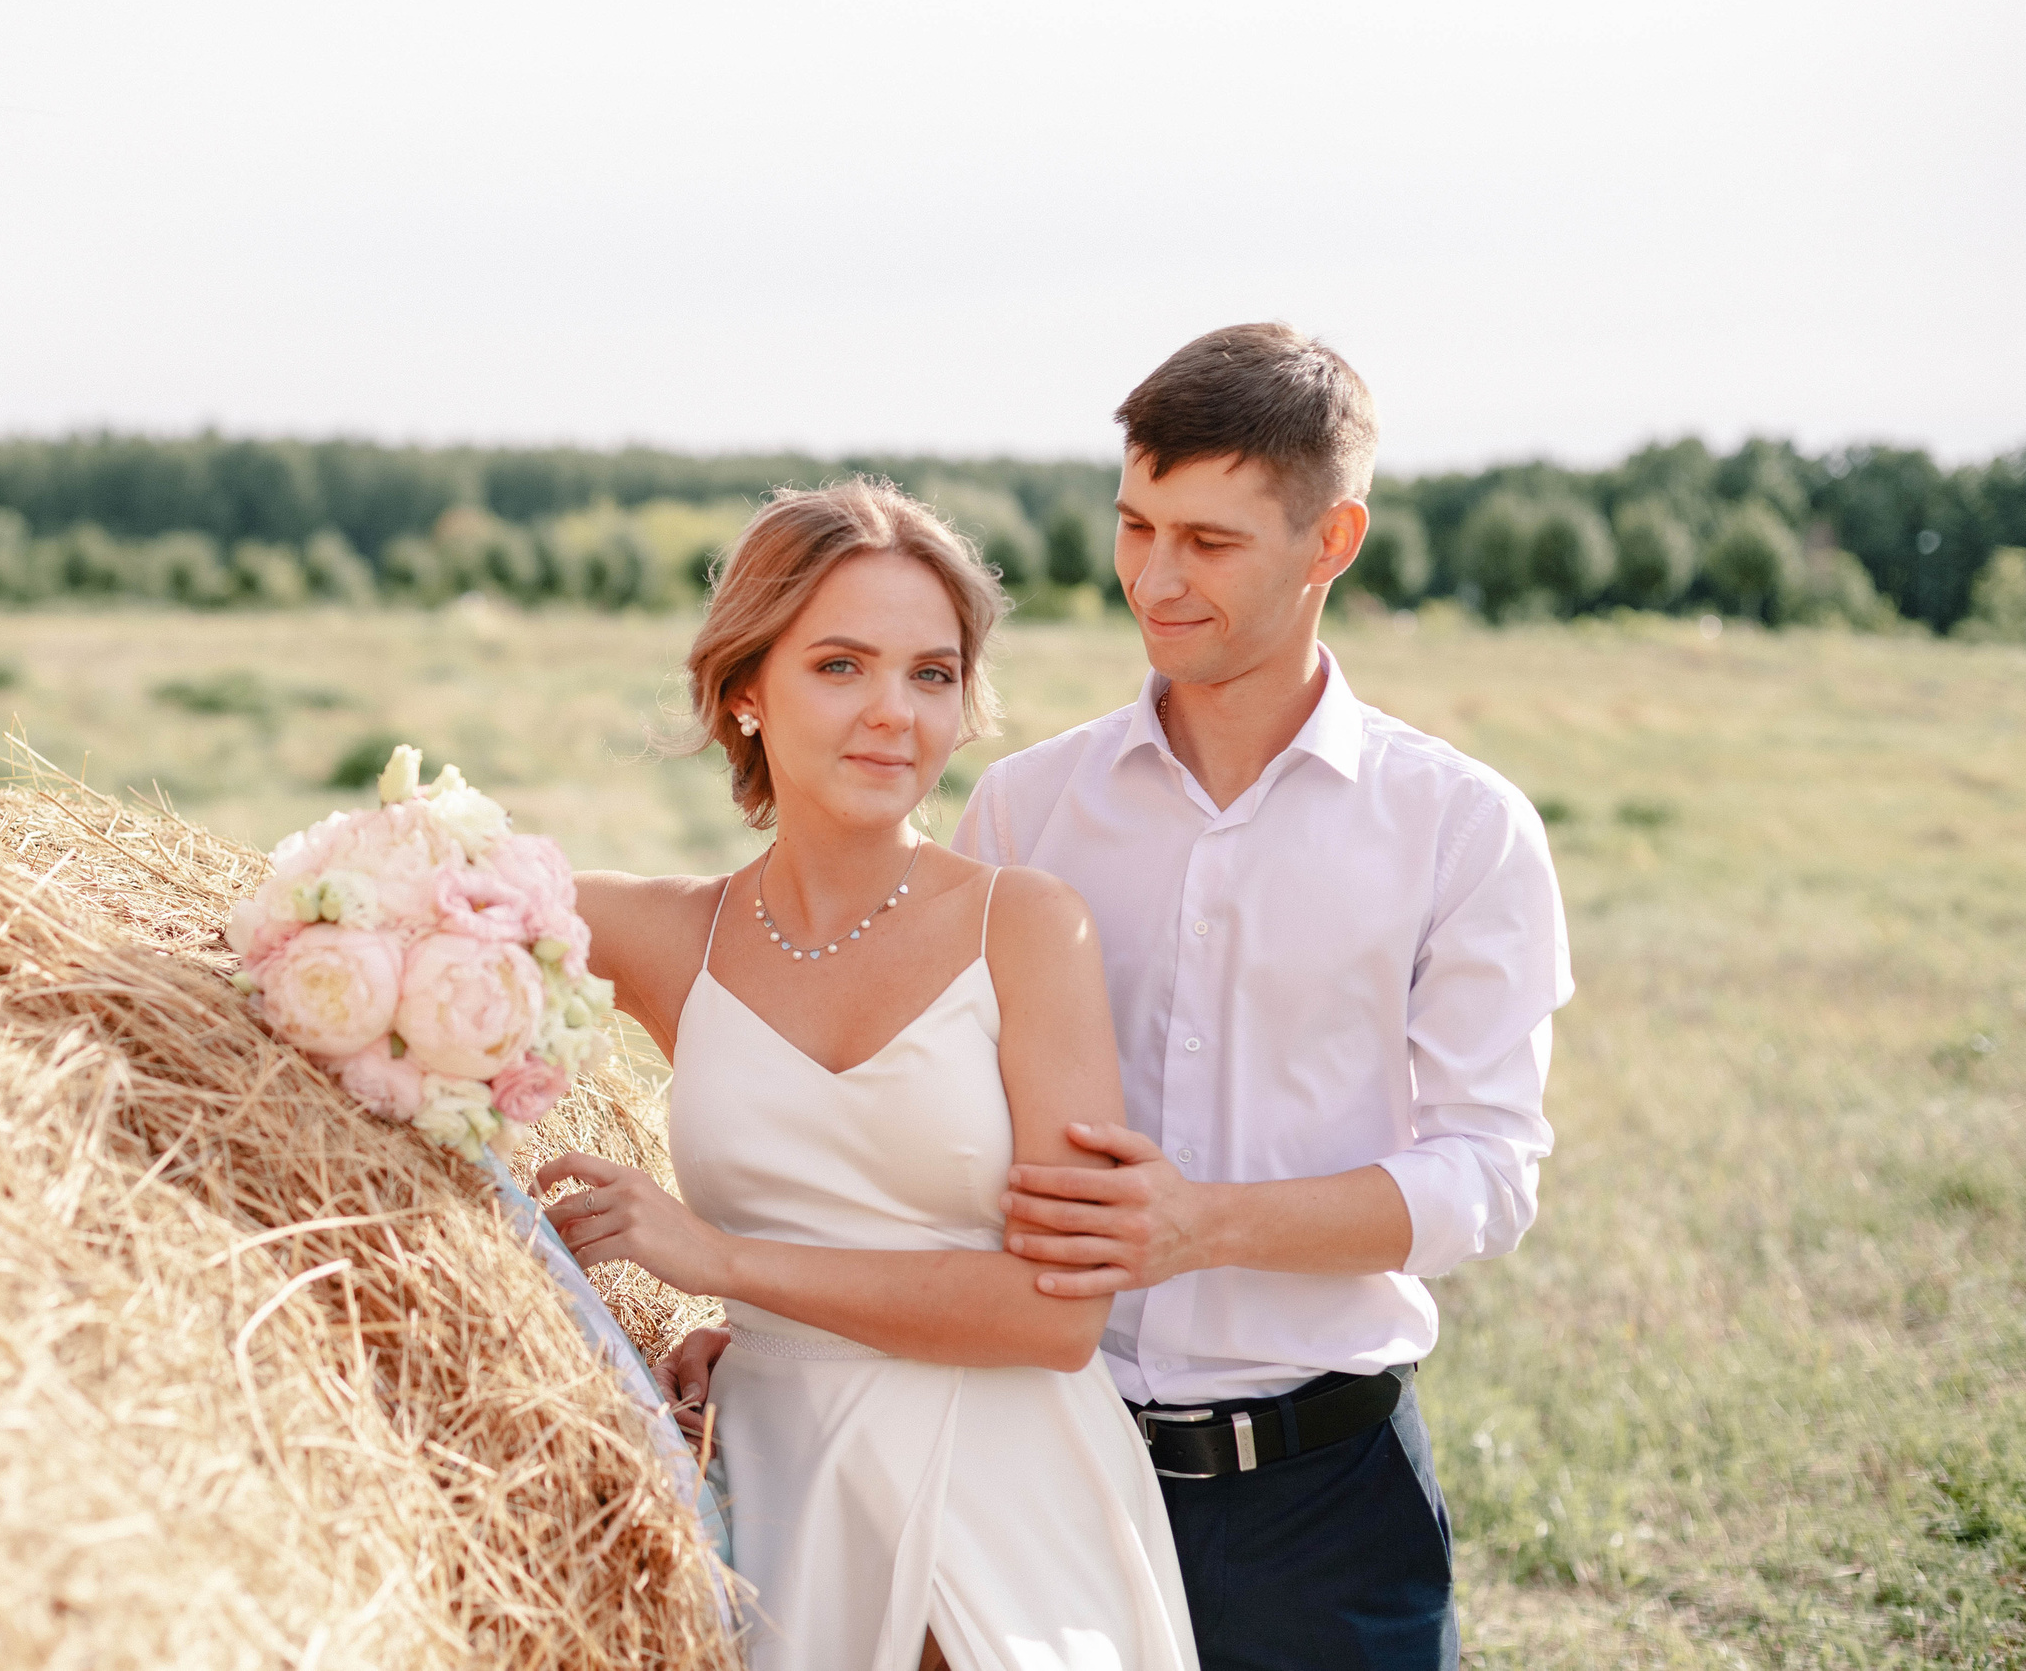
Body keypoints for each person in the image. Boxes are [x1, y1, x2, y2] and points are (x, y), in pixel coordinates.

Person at [663, 324, 1574, 1669]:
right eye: (1135, 523)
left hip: (1323, 1497)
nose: (1154, 575)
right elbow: (919, 1113)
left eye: (1209, 541)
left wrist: (1203, 1222)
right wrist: (763, 1329)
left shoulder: (1461, 828)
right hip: (1027, 1464)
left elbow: (1488, 1177)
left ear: (1332, 541)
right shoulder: (1027, 804)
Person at [541, 479, 1198, 1671]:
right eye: (840, 666)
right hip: (778, 1488)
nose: (893, 713)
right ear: (745, 690)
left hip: (1005, 1490)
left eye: (931, 674)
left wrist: (723, 1267)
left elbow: (1057, 1317)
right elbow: (375, 909)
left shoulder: (1029, 929)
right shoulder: (663, 933)